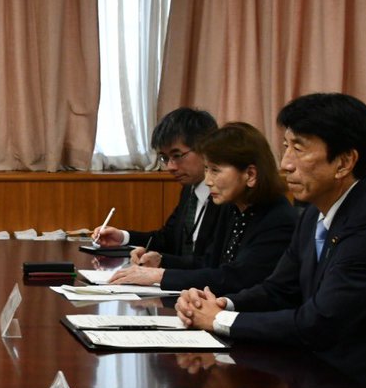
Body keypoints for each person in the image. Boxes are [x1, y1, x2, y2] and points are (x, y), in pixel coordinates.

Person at [176, 93, 366, 388]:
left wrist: (220, 320)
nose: (286, 163)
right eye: (286, 147)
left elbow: (318, 324)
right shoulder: (314, 212)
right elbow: (279, 290)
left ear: (344, 162)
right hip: (325, 377)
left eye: (299, 149)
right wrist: (223, 303)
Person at [110, 122, 297, 293]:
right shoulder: (233, 209)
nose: (208, 181)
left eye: (215, 170)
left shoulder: (278, 219)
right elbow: (208, 264)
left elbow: (238, 278)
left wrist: (160, 276)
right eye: (206, 169)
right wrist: (161, 261)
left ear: (250, 174)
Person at [93, 108, 226, 261]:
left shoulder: (225, 196)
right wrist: (123, 237)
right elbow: (167, 239)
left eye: (177, 156)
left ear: (205, 149)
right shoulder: (189, 190)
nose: (170, 166)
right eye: (164, 158)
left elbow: (213, 263)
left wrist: (161, 265)